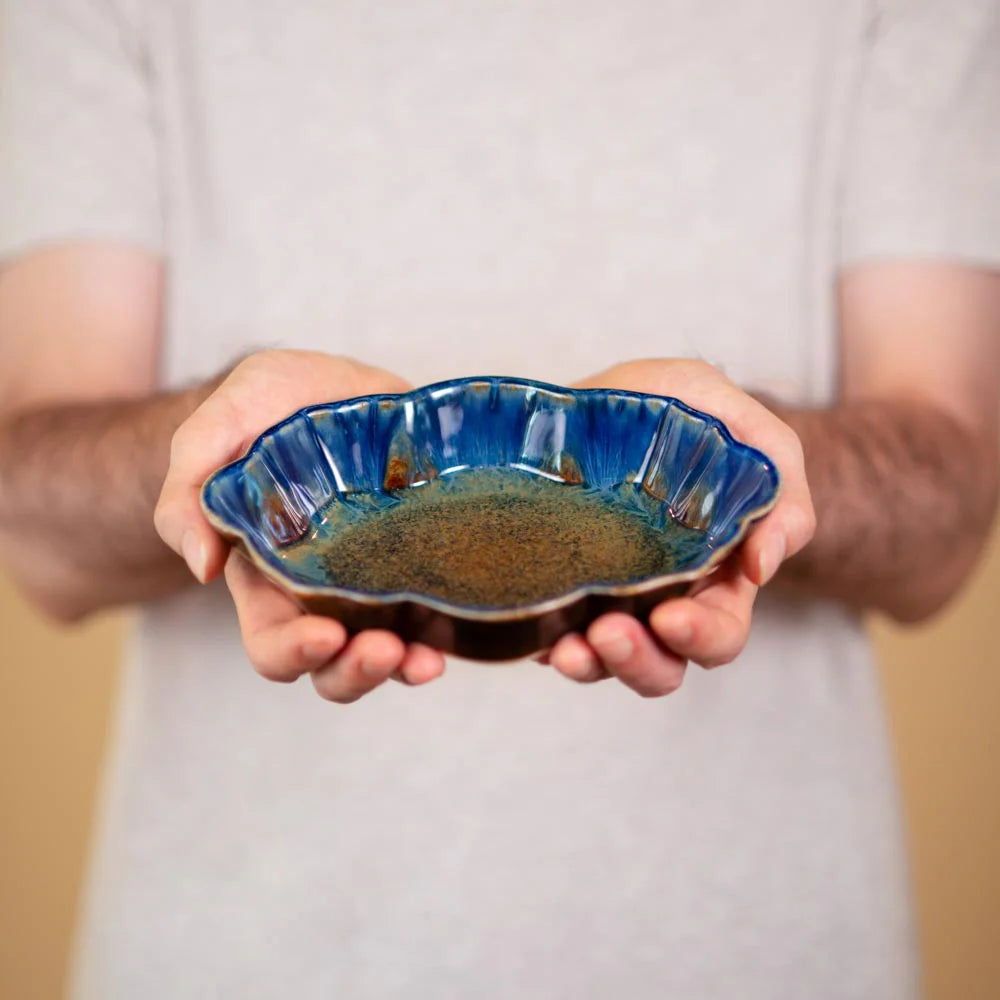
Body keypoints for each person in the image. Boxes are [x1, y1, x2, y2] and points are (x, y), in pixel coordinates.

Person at [0, 0, 997, 996]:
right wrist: (227, 457)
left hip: (767, 954)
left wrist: (749, 465)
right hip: (240, 951)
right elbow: (37, 530)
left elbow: (945, 516)